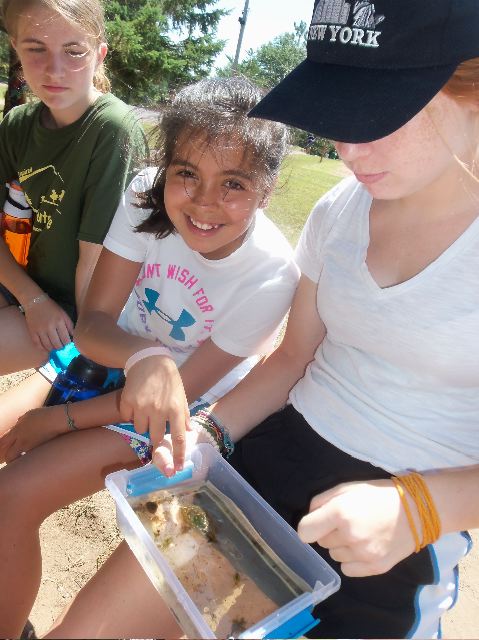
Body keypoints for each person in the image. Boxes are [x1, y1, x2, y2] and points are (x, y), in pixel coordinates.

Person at [44, 1, 479, 639]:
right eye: (337, 112)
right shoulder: (340, 210)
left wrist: (425, 507)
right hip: (267, 459)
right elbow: (293, 358)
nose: (348, 148)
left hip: (399, 532)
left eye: (378, 113)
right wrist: (210, 434)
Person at [0, 75, 299, 638]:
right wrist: (147, 355)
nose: (204, 202)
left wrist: (57, 420)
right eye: (186, 173)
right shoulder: (144, 195)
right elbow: (93, 324)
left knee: (12, 495)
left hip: (180, 408)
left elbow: (171, 396)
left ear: (267, 189)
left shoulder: (271, 274)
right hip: (112, 356)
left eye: (233, 183)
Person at [0, 0, 148, 432]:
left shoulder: (112, 129)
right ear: (15, 48)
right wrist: (30, 297)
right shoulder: (18, 124)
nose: (54, 70)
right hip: (27, 288)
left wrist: (83, 348)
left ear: (99, 54)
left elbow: (93, 265)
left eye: (73, 51)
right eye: (36, 49)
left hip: (76, 313)